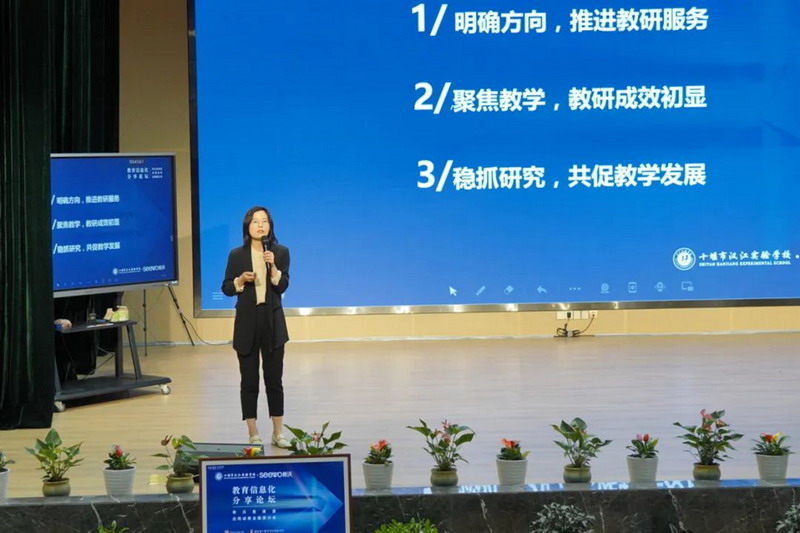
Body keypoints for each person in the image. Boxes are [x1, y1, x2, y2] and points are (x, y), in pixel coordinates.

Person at [222, 206, 291, 448]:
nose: (260, 225)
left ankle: (278, 432)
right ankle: (253, 432)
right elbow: (226, 288)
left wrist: (274, 268)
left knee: (274, 380)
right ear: (247, 226)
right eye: (255, 221)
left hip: (272, 321)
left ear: (270, 226)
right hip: (247, 322)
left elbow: (282, 285)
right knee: (249, 381)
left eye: (264, 221)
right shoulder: (236, 255)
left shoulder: (280, 252)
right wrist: (240, 280)